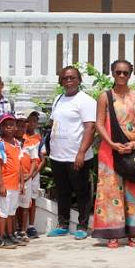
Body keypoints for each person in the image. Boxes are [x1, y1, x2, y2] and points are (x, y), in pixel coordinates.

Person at [93, 59, 135, 248]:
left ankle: (134, 233)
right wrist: (112, 143)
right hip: (110, 150)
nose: (121, 76)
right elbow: (99, 123)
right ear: (112, 73)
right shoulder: (105, 97)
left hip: (133, 148)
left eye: (125, 73)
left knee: (134, 190)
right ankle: (113, 233)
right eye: (118, 72)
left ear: (131, 74)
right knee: (110, 190)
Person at [46, 66, 97, 239]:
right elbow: (53, 123)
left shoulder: (86, 101)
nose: (69, 81)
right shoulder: (58, 99)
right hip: (57, 155)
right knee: (63, 191)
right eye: (65, 78)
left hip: (77, 155)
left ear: (79, 80)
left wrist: (81, 152)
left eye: (72, 78)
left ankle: (83, 226)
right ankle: (63, 224)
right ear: (61, 81)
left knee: (81, 191)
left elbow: (90, 128)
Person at [0, 114, 25, 249]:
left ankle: (10, 234)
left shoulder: (17, 144)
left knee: (11, 211)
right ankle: (1, 237)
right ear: (1, 127)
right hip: (5, 183)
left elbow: (19, 165)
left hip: (15, 184)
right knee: (3, 212)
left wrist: (22, 182)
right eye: (5, 125)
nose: (9, 128)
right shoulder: (0, 144)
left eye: (11, 125)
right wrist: (1, 185)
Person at [17, 112, 43, 240]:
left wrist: (33, 174)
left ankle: (31, 226)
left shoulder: (39, 138)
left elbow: (42, 158)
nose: (31, 124)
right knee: (20, 201)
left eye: (34, 121)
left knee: (32, 200)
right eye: (29, 121)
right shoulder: (19, 138)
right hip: (22, 175)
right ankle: (20, 227)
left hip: (33, 174)